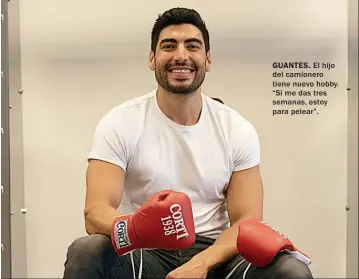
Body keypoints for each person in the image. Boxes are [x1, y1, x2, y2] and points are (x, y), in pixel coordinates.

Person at [63, 7, 313, 279]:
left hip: (215, 253)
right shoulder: (119, 123)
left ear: (207, 60)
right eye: (169, 46)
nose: (181, 56)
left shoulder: (236, 129)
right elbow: (95, 213)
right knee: (86, 251)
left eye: (192, 46)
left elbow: (247, 220)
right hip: (146, 252)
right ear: (152, 59)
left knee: (291, 271)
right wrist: (136, 227)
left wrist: (202, 264)